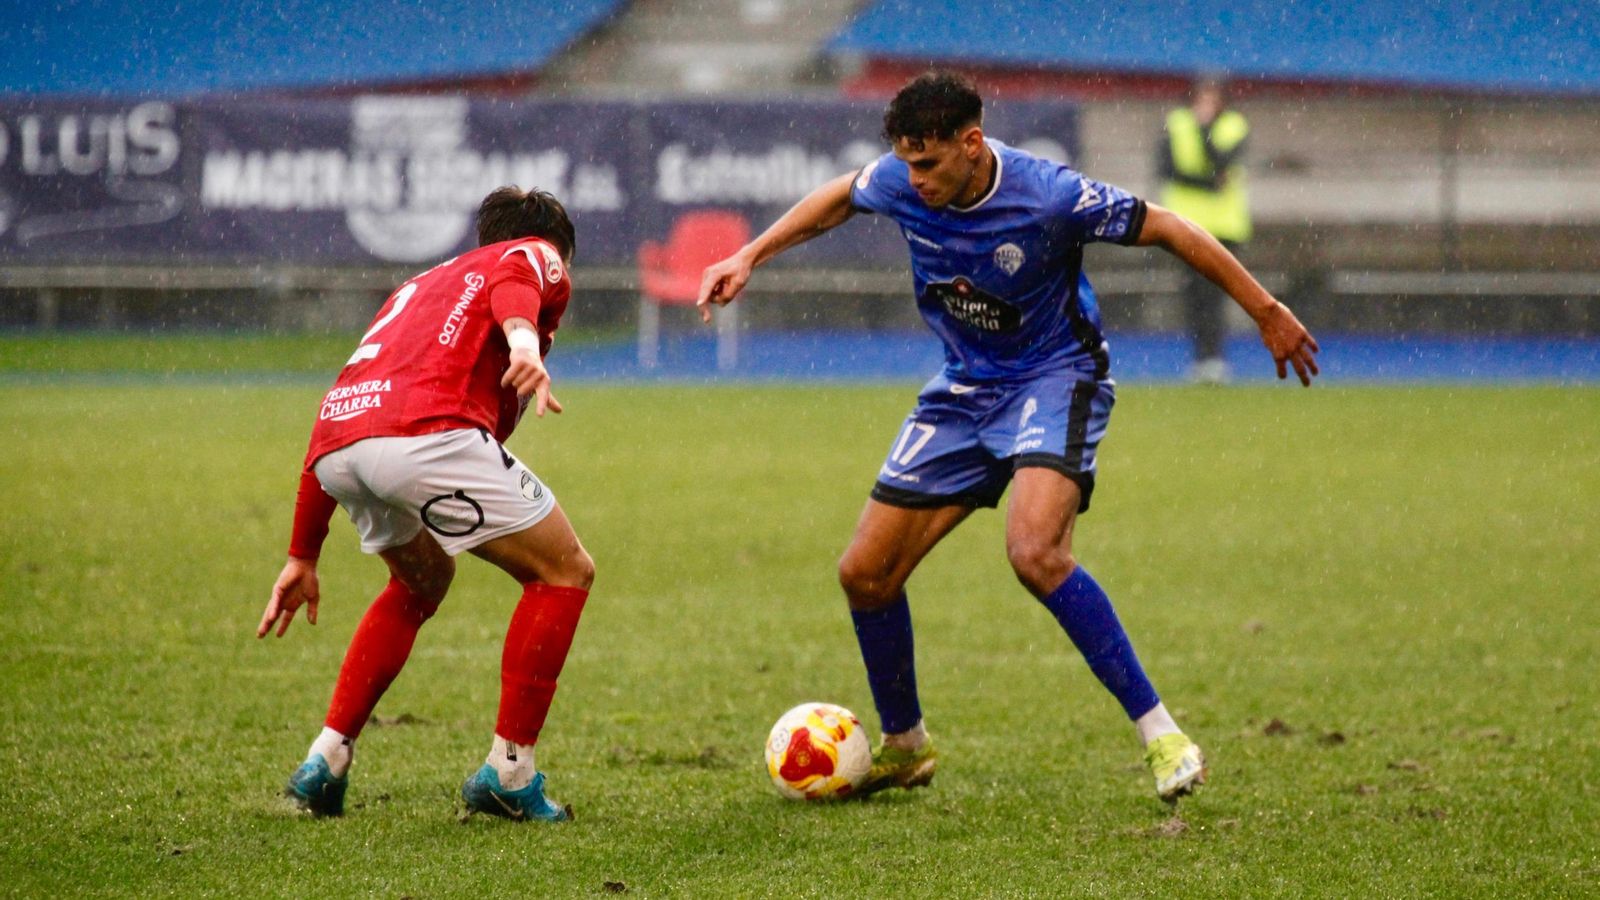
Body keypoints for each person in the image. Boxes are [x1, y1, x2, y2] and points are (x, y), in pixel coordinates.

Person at [698, 72, 1317, 803]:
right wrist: (751, 255)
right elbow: (840, 195)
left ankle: (1162, 734)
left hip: (1056, 379)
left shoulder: (1049, 195)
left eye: (928, 164)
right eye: (905, 161)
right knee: (864, 573)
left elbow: (1171, 228)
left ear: (972, 142)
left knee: (1035, 552)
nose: (913, 179)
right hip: (965, 389)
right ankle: (906, 747)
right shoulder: (902, 181)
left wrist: (1266, 309)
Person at [257, 186, 595, 823]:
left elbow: (341, 408)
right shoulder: (535, 252)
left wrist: (303, 553)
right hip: (425, 437)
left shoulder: (419, 287)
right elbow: (521, 279)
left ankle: (324, 761)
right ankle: (509, 772)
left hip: (342, 447)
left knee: (422, 581)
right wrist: (524, 344)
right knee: (564, 570)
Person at [1158, 77, 1252, 384]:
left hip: (1224, 226)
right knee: (1193, 294)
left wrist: (1205, 131)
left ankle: (1216, 358)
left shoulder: (1235, 126)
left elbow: (1222, 163)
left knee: (1216, 295)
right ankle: (1200, 358)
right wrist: (1208, 182)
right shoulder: (1176, 123)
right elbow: (1169, 170)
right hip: (1186, 225)